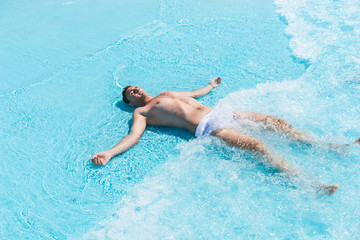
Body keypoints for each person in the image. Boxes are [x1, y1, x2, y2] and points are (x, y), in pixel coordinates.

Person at [91, 77, 348, 195]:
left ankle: (330, 145)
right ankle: (311, 185)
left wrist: (211, 86)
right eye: (130, 94)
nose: (134, 90)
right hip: (208, 126)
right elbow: (134, 137)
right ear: (131, 103)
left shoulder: (167, 92)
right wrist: (110, 153)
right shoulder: (143, 113)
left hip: (223, 112)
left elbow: (195, 93)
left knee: (276, 122)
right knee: (258, 147)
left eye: (134, 87)